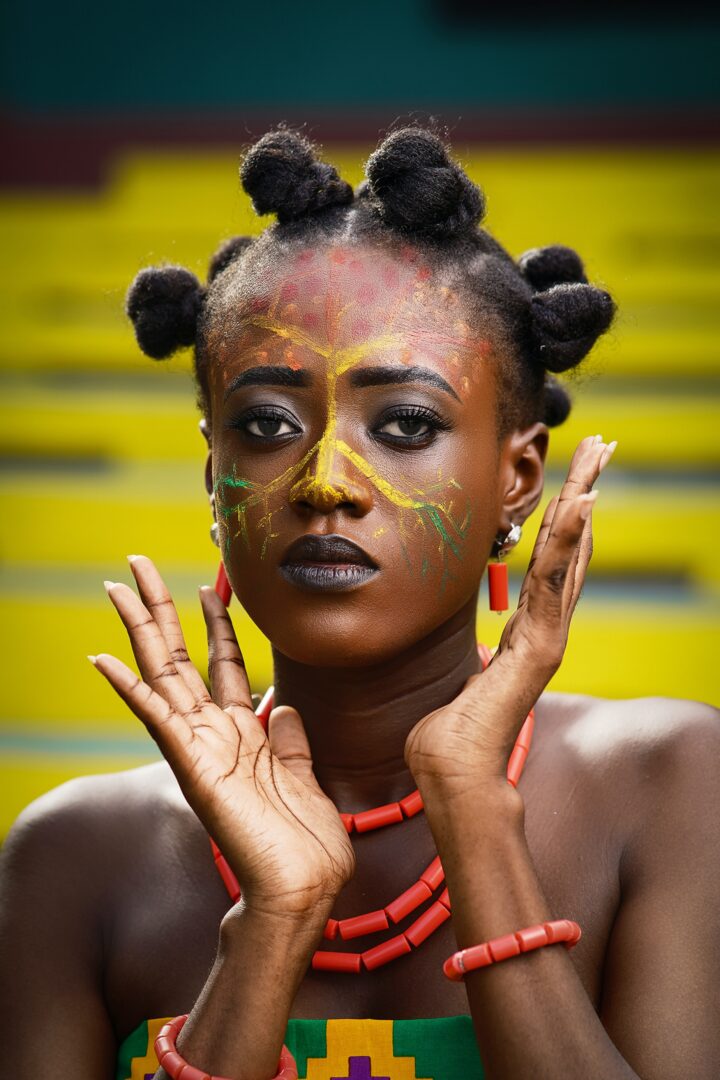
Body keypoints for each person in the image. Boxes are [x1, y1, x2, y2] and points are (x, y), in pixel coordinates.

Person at [1, 126, 718, 1080]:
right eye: (266, 425)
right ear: (214, 474)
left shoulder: (670, 782)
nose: (325, 481)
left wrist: (472, 807)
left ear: (519, 477)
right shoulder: (70, 859)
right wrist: (272, 923)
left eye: (405, 424)